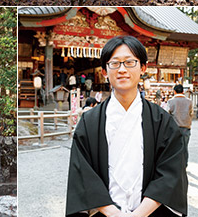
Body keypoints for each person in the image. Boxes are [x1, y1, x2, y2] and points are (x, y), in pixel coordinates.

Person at [66, 35, 187, 217]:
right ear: (105, 71)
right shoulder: (89, 122)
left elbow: (171, 171)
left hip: (151, 212)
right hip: (104, 213)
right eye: (115, 63)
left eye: (130, 62)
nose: (122, 69)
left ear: (143, 67)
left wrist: (139, 214)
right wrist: (113, 213)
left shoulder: (162, 120)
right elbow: (82, 173)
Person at [167, 84, 193, 164]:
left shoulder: (171, 101)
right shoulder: (189, 102)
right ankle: (184, 164)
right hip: (186, 127)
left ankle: (176, 165)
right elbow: (191, 113)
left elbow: (168, 114)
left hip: (175, 128)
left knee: (174, 148)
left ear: (174, 91)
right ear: (183, 91)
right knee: (185, 147)